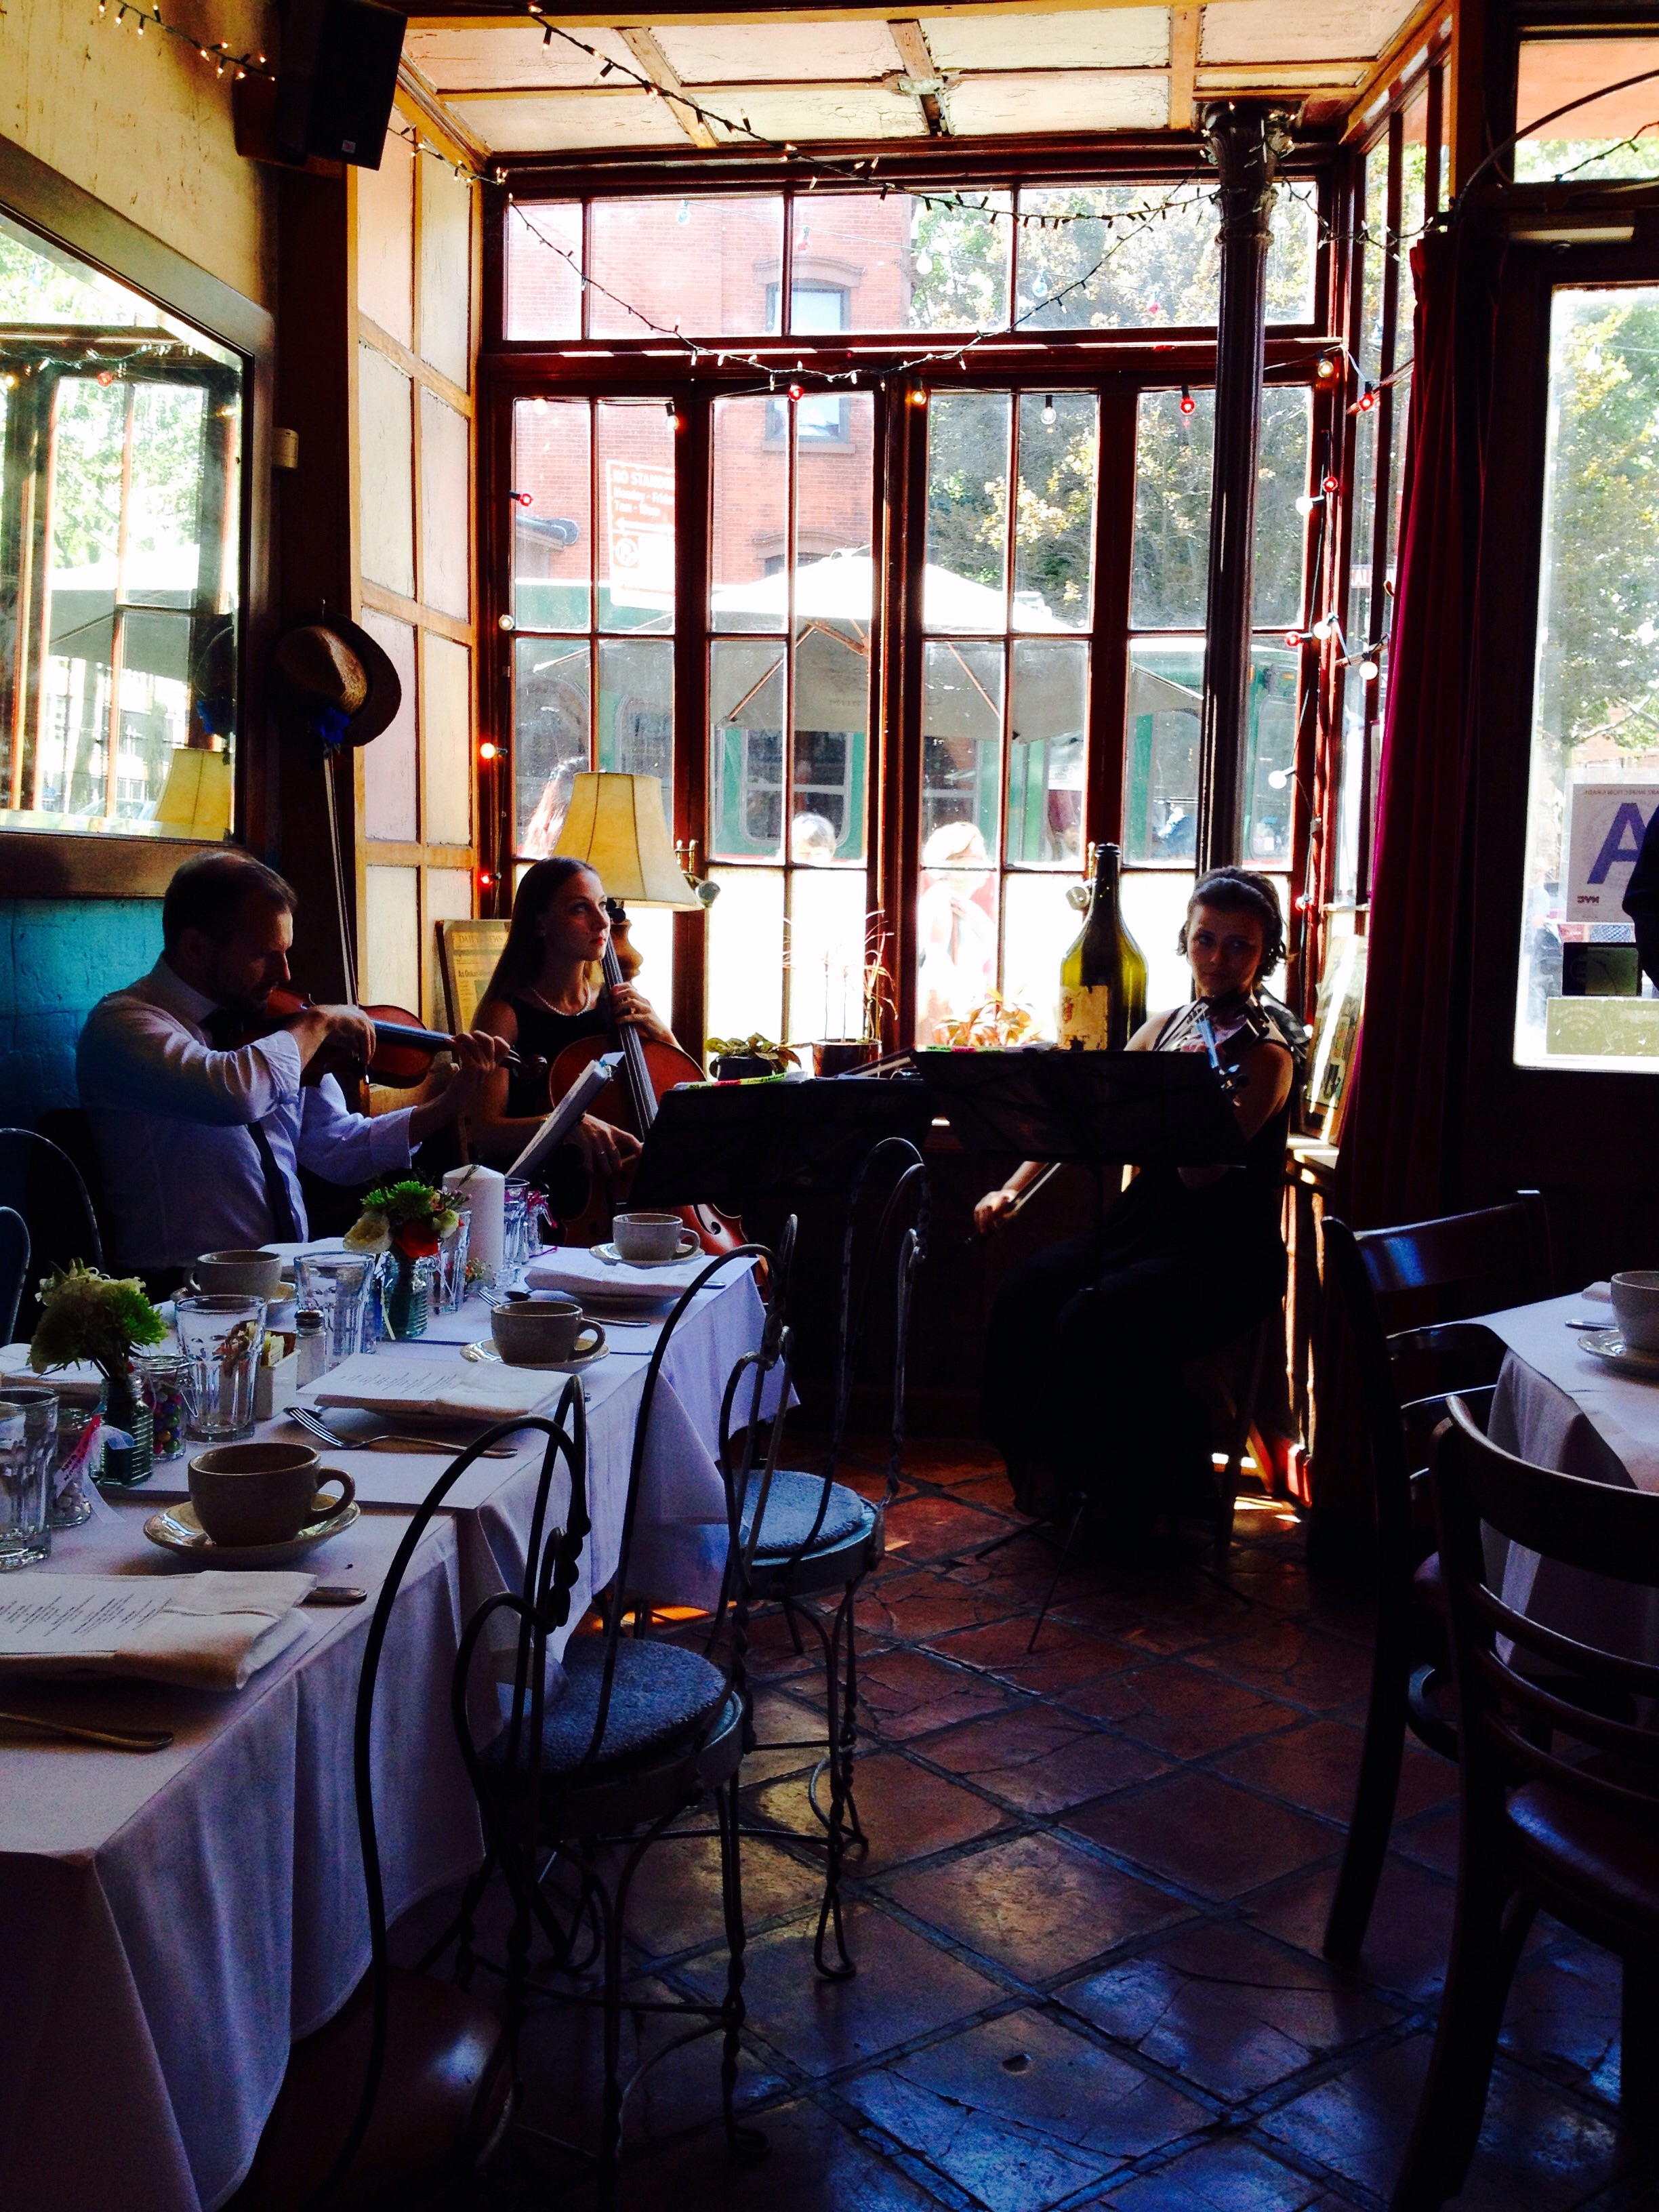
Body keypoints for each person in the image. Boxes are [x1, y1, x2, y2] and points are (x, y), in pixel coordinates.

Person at [974, 867, 1300, 1528]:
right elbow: (1085, 1121)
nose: (1217, 959)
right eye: (1205, 939)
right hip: (1143, 1226)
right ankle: (1046, 1475)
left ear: (1264, 953)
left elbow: (1201, 1177)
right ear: (1186, 939)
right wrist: (1011, 1188)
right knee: (1023, 1292)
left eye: (1239, 944)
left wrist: (1187, 1107)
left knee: (1094, 1316)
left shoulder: (1268, 1053)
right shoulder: (1164, 1027)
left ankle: (1120, 1493)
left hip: (1225, 1250)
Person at [77, 851, 510, 1278]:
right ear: (196, 948)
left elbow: (338, 1146)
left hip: (285, 1276)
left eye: (285, 952)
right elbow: (235, 1093)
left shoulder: (270, 1027)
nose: (284, 973)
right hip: (182, 1285)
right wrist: (316, 1023)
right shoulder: (125, 1026)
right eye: (263, 955)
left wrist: (448, 1106)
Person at [467, 857, 680, 1201]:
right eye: (580, 909)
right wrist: (566, 1124)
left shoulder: (616, 1002)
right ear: (540, 924)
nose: (602, 921)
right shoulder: (505, 1014)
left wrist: (662, 1033)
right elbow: (486, 1133)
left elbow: (679, 1097)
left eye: (602, 905)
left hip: (625, 1189)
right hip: (547, 1197)